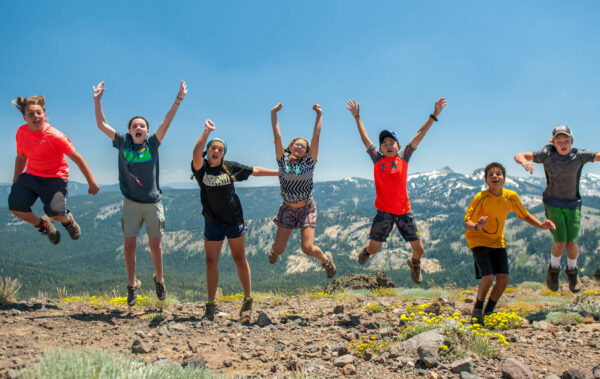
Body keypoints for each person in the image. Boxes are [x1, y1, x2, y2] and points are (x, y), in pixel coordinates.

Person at [93, 80, 187, 306]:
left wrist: (178, 100)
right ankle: (132, 284)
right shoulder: (122, 142)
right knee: (129, 247)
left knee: (155, 246)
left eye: (142, 126)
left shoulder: (153, 144)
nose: (138, 128)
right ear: (129, 130)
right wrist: (97, 100)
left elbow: (167, 121)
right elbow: (101, 124)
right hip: (131, 204)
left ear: (146, 131)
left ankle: (159, 279)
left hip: (153, 203)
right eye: (134, 125)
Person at [346, 98, 446, 285]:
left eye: (392, 142)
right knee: (374, 248)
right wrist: (357, 117)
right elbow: (365, 139)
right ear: (381, 149)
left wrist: (433, 116)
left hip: (404, 212)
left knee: (419, 249)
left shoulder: (404, 158)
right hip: (384, 213)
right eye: (384, 143)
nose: (388, 145)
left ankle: (414, 263)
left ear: (399, 146)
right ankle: (366, 251)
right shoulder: (377, 160)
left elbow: (419, 135)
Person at [191, 120, 278, 323]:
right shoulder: (201, 169)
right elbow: (196, 153)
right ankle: (211, 305)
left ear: (223, 154)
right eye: (213, 148)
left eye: (220, 149)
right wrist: (206, 132)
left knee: (240, 258)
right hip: (212, 222)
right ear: (208, 150)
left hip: (234, 220)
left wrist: (278, 173)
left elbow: (254, 170)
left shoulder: (229, 168)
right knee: (211, 262)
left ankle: (248, 300)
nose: (216, 151)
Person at [464, 162, 555, 324]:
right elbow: (466, 223)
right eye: (490, 174)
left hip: (498, 242)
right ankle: (477, 309)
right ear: (485, 180)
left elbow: (525, 215)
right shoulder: (481, 197)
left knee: (504, 279)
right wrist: (477, 226)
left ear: (504, 178)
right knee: (488, 276)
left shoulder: (511, 197)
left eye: (498, 174)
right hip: (478, 240)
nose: (495, 176)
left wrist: (541, 225)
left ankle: (489, 312)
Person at [514, 125, 600, 293]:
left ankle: (572, 273)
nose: (563, 144)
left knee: (572, 242)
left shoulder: (579, 155)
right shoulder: (547, 154)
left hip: (573, 204)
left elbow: (598, 156)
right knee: (560, 242)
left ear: (571, 141)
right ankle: (553, 271)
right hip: (553, 204)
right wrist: (524, 161)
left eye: (566, 141)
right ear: (553, 142)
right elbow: (518, 155)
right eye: (558, 141)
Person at [9, 95, 99, 245]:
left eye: (39, 112)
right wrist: (15, 182)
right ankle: (45, 226)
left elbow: (77, 158)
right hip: (32, 174)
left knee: (56, 214)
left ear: (44, 114)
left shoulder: (55, 136)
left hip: (55, 176)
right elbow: (21, 158)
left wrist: (92, 182)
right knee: (15, 207)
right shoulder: (21, 133)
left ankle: (67, 221)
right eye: (31, 114)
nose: (36, 117)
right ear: (25, 117)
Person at [267, 103, 336, 279]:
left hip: (306, 208)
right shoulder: (282, 161)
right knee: (279, 249)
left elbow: (317, 135)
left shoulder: (309, 162)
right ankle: (274, 251)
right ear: (290, 146)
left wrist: (319, 114)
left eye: (303, 146)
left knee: (307, 248)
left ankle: (326, 261)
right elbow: (277, 134)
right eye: (296, 144)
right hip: (288, 208)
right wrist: (274, 114)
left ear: (307, 152)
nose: (299, 147)